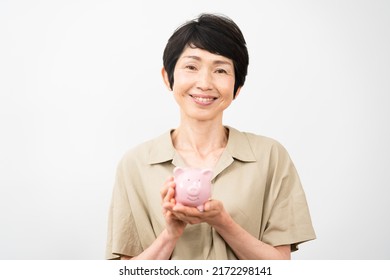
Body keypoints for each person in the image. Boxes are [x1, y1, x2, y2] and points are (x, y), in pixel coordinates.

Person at [105, 13, 316, 260]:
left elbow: (280, 267)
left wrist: (223, 222)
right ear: (167, 77)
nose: (204, 83)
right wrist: (171, 233)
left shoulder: (270, 156)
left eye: (221, 70)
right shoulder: (135, 164)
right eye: (191, 67)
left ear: (237, 86)